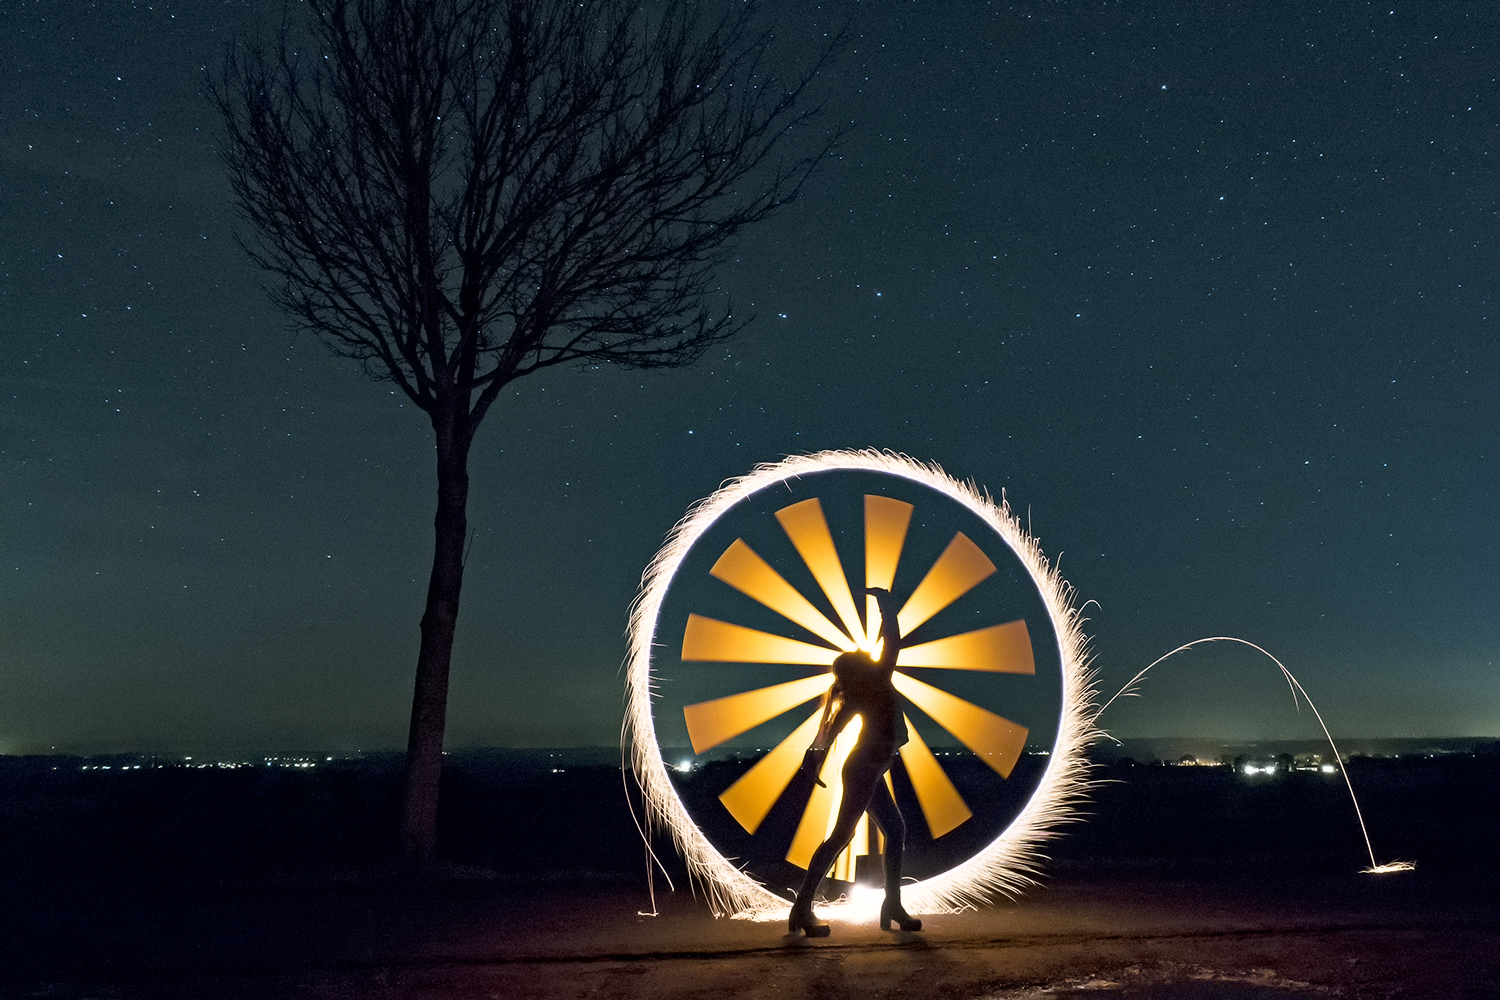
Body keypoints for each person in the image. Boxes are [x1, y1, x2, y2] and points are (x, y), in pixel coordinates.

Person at [788, 587, 922, 936]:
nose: (865, 650)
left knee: (894, 830)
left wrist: (814, 762)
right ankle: (802, 909)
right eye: (859, 654)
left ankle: (892, 905)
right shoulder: (876, 680)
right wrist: (886, 607)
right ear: (861, 669)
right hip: (865, 769)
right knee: (840, 837)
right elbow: (892, 642)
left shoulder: (861, 692)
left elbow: (828, 735)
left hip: (868, 769)